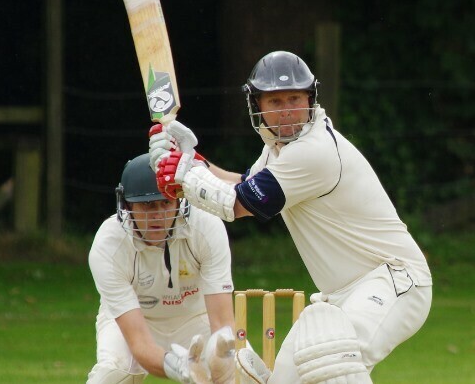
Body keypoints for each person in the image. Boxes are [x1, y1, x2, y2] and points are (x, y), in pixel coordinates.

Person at [149, 51, 433, 384]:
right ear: (258, 105)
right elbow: (244, 185)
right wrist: (194, 163)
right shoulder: (278, 149)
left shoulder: (314, 151)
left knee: (332, 362)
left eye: (294, 99)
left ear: (310, 99)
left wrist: (185, 175)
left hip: (392, 281)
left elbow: (236, 205)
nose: (286, 111)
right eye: (275, 101)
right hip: (339, 297)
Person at [87, 153, 238, 384]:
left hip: (195, 318)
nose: (157, 214)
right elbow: (140, 344)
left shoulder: (205, 226)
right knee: (113, 375)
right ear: (126, 204)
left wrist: (222, 360)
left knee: (237, 373)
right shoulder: (109, 245)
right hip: (135, 319)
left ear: (180, 199)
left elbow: (223, 323)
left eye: (165, 202)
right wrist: (179, 367)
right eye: (147, 204)